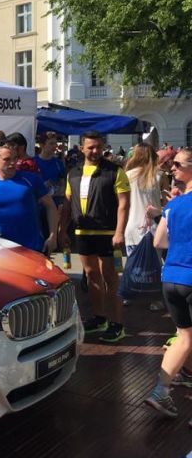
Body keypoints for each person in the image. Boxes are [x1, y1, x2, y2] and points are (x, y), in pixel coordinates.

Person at [60, 130, 130, 343]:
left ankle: (117, 324)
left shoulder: (115, 171)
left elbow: (124, 205)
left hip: (107, 232)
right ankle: (100, 318)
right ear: (81, 148)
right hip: (82, 232)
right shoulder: (73, 172)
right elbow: (65, 205)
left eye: (99, 146)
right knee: (91, 276)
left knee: (110, 278)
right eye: (90, 147)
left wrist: (119, 231)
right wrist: (62, 231)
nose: (95, 151)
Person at [143, 149, 192, 433]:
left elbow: (159, 241)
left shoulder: (173, 205)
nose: (171, 168)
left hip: (171, 278)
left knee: (185, 337)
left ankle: (161, 390)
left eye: (176, 165)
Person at [0, 144, 58, 254]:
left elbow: (51, 206)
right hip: (4, 249)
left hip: (33, 247)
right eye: (7, 159)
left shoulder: (31, 179)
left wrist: (53, 236)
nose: (12, 163)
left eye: (15, 158)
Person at [124, 143, 167, 255]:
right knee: (154, 267)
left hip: (132, 226)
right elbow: (166, 204)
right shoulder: (160, 175)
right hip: (155, 226)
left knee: (134, 266)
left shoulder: (127, 175)